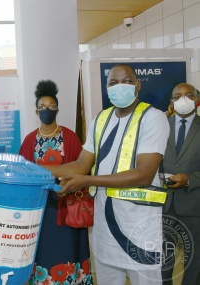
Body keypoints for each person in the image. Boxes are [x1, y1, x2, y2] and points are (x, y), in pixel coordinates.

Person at [44, 64, 169, 285]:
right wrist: (37, 169)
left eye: (127, 81)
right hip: (105, 222)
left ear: (138, 85)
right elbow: (82, 164)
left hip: (138, 224)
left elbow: (144, 174)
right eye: (113, 83)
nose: (120, 87)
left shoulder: (153, 118)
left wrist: (87, 181)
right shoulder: (101, 119)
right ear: (106, 88)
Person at [19, 80, 92, 284]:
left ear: (57, 109)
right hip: (39, 212)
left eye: (51, 107)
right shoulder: (29, 140)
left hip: (66, 209)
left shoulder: (70, 138)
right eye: (42, 107)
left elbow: (82, 171)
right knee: (43, 255)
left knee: (68, 254)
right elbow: (22, 175)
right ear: (36, 112)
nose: (47, 110)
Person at [162, 83, 200, 285]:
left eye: (188, 95)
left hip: (194, 204)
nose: (182, 100)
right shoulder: (160, 126)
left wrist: (190, 179)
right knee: (163, 260)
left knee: (194, 259)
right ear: (171, 102)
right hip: (163, 204)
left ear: (196, 99)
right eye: (177, 96)